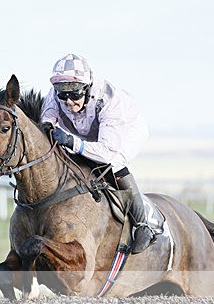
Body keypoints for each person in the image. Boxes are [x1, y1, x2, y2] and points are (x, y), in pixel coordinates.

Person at [40, 53, 163, 254]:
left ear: (87, 87)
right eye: (63, 94)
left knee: (112, 163)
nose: (69, 101)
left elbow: (106, 152)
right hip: (90, 130)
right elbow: (48, 118)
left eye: (75, 94)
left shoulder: (109, 100)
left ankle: (143, 225)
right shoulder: (56, 94)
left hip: (125, 130)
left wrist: (71, 141)